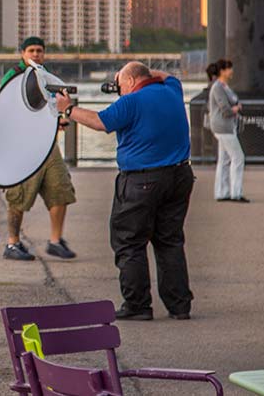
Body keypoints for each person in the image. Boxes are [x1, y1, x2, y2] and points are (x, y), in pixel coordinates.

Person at [58, 61, 195, 320]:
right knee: (170, 241)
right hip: (179, 176)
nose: (119, 90)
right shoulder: (173, 90)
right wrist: (137, 73)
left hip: (141, 180)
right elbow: (164, 75)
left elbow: (100, 122)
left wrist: (69, 109)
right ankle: (179, 305)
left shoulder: (130, 102)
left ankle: (138, 305)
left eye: (120, 84)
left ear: (131, 82)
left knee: (129, 242)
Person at [0, 36, 78, 261]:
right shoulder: (13, 76)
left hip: (48, 145)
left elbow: (53, 106)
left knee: (61, 189)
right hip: (23, 145)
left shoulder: (47, 76)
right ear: (22, 53)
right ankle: (12, 243)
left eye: (40, 51)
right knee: (18, 196)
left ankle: (55, 241)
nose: (36, 55)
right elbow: (6, 109)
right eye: (31, 51)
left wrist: (59, 120)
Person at [208, 58, 248, 203]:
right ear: (222, 71)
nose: (232, 71)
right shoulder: (218, 87)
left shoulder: (225, 87)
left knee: (224, 160)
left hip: (227, 126)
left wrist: (236, 106)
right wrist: (236, 109)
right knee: (238, 157)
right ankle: (236, 193)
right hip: (223, 127)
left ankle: (222, 192)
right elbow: (225, 109)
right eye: (229, 68)